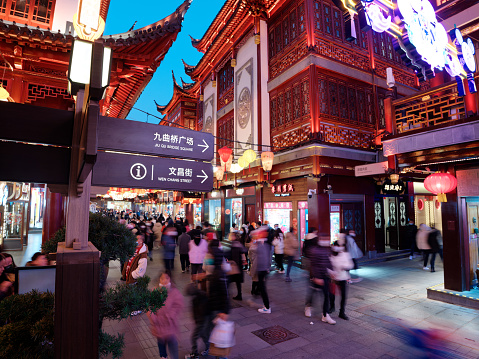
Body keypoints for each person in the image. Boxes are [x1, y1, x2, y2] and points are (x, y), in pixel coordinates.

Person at [148, 271, 184, 359]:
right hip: (158, 325)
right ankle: (163, 356)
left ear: (170, 279)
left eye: (167, 278)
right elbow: (149, 307)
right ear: (159, 279)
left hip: (170, 324)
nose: (164, 280)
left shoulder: (174, 292)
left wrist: (170, 316)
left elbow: (178, 305)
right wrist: (153, 318)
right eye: (162, 278)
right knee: (161, 343)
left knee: (172, 343)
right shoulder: (154, 291)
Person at [304, 234, 335, 325]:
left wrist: (332, 272)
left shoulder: (324, 249)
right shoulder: (313, 250)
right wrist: (316, 277)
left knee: (325, 295)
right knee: (313, 293)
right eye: (324, 238)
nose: (326, 240)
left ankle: (325, 315)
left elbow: (327, 261)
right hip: (316, 277)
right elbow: (314, 265)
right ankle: (308, 307)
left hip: (324, 276)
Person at [330, 242, 354, 320]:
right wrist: (331, 272)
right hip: (333, 278)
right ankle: (331, 307)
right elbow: (328, 266)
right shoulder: (331, 255)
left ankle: (342, 312)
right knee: (331, 294)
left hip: (343, 278)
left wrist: (345, 266)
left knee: (343, 296)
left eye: (339, 246)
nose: (337, 247)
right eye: (336, 246)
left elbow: (350, 264)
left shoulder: (345, 254)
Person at [185, 283, 209, 358]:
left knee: (194, 338)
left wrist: (198, 321)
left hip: (201, 322)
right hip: (202, 321)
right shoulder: (200, 296)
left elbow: (201, 311)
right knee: (203, 335)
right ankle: (208, 348)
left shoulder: (199, 298)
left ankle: (195, 354)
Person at [254, 228, 272, 314]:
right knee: (262, 288)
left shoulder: (261, 244)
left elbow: (262, 257)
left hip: (262, 269)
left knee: (262, 288)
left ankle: (267, 307)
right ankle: (266, 306)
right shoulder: (266, 244)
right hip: (264, 269)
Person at [227, 232, 247, 300]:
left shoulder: (230, 244)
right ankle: (239, 294)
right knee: (236, 281)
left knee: (230, 280)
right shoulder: (239, 244)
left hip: (232, 265)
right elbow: (243, 252)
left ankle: (234, 294)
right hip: (238, 265)